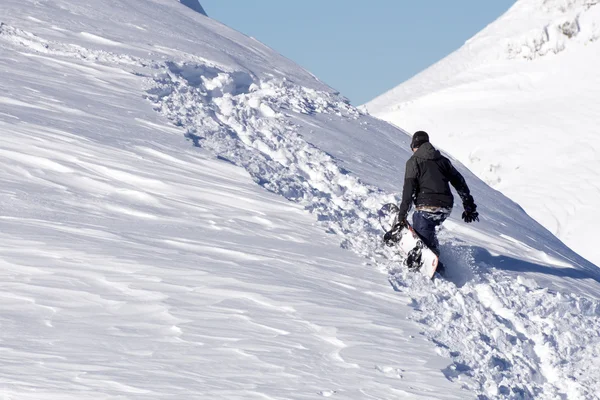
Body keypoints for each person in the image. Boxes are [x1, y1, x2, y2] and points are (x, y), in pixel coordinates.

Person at [385, 131, 479, 275]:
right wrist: (469, 206)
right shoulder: (443, 161)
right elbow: (460, 183)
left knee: (421, 221)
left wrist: (401, 216)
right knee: (428, 226)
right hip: (445, 207)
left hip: (426, 206)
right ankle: (431, 245)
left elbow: (408, 191)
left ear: (415, 146)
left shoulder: (414, 161)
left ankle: (435, 263)